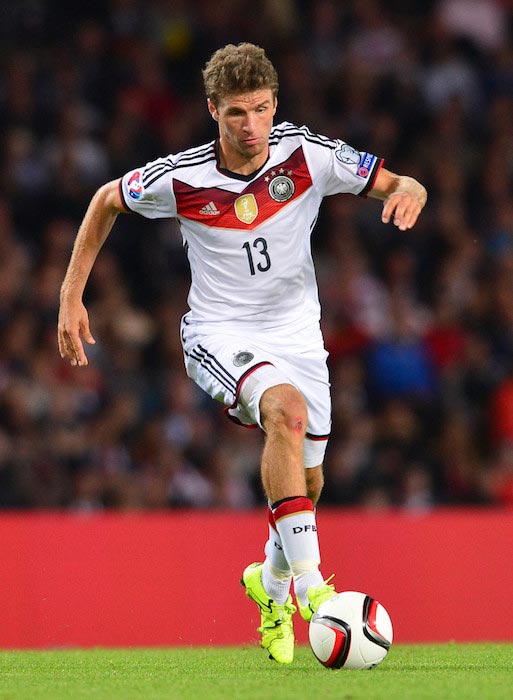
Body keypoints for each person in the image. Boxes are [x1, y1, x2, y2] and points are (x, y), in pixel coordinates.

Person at [58, 42, 427, 664]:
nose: (251, 125)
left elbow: (393, 179)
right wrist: (71, 296)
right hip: (220, 332)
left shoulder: (307, 154)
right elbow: (104, 202)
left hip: (299, 334)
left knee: (308, 481)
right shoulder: (181, 177)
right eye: (235, 113)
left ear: (274, 104)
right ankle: (312, 591)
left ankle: (271, 581)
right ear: (213, 111)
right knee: (283, 412)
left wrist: (411, 189)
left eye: (260, 109)